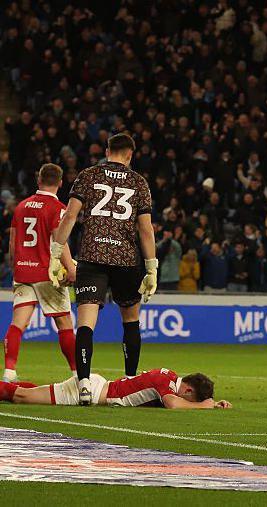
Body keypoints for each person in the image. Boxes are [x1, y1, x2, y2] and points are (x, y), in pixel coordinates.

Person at [49, 133, 157, 405]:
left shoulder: (88, 174)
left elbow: (70, 215)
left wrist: (55, 252)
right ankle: (130, 384)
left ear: (107, 150)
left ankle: (84, 384)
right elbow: (145, 229)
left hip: (92, 256)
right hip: (126, 259)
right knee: (130, 321)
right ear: (130, 155)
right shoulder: (138, 182)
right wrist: (151, 267)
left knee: (86, 323)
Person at [4, 164, 78, 382]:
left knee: (18, 324)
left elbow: (12, 243)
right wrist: (71, 269)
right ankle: (76, 375)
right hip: (48, 274)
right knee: (64, 324)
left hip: (23, 271)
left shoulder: (21, 206)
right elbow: (59, 240)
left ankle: (9, 372)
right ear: (61, 183)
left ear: (38, 180)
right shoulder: (58, 208)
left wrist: (16, 266)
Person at [0, 368, 231, 409]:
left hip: (98, 386)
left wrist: (213, 403)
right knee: (21, 397)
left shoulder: (169, 376)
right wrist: (203, 406)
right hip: (92, 393)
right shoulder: (167, 386)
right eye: (191, 400)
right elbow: (173, 404)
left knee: (33, 392)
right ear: (188, 391)